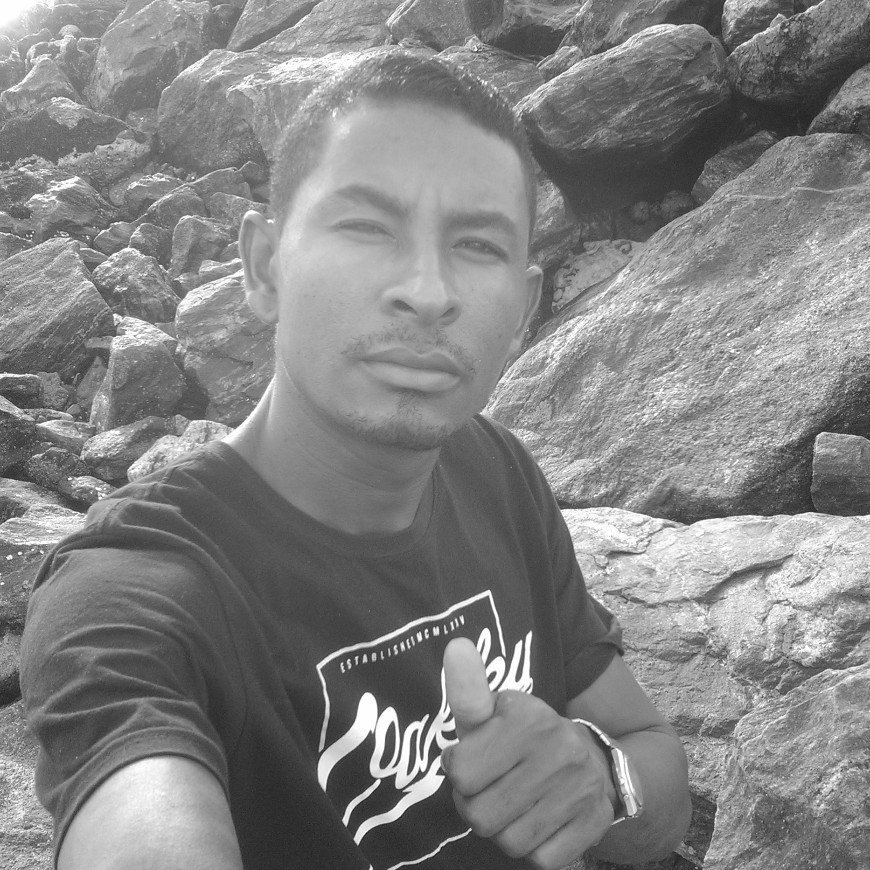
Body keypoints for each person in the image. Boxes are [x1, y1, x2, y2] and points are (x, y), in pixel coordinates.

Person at [20, 50, 691, 870]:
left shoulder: (497, 474)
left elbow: (657, 769)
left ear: (524, 308)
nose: (428, 291)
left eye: (478, 244)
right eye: (368, 227)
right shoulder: (138, 595)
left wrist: (601, 776)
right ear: (264, 267)